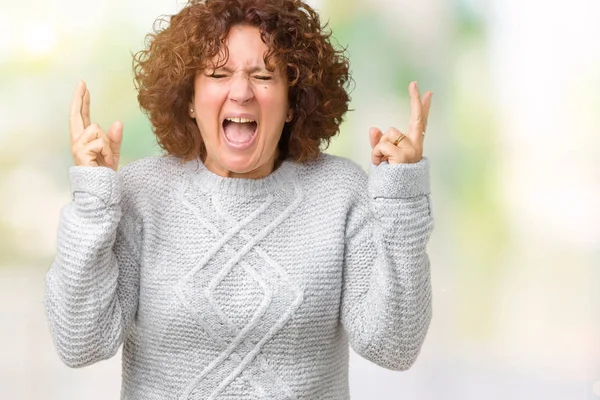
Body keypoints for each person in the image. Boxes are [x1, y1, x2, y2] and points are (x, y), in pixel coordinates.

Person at [44, 0, 434, 398]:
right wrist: (92, 202)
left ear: (291, 103)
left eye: (264, 76)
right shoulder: (141, 192)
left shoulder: (340, 191)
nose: (242, 91)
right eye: (218, 73)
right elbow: (81, 342)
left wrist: (401, 197)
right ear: (191, 100)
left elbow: (393, 346)